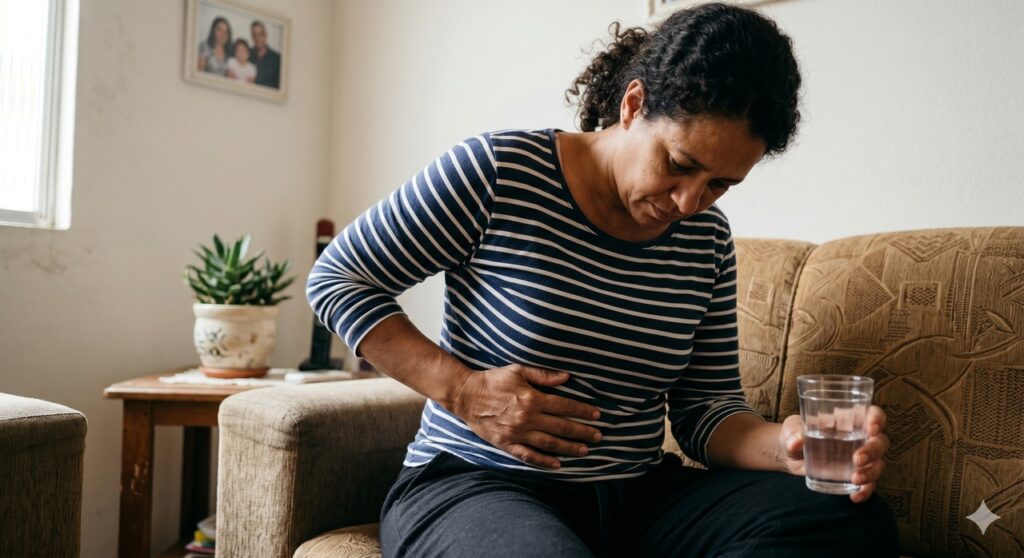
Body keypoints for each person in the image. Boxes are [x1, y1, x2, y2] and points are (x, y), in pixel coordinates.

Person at [306, 3, 899, 557]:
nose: (691, 201)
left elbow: (704, 412)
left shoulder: (706, 240)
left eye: (721, 184)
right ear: (634, 105)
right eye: (680, 164)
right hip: (479, 484)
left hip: (635, 498)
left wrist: (788, 445)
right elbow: (338, 278)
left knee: (846, 518)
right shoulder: (499, 173)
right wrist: (462, 390)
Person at [250, 20, 281, 88]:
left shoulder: (277, 58)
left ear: (266, 35)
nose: (257, 38)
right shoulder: (247, 54)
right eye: (255, 34)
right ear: (252, 37)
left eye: (260, 34)